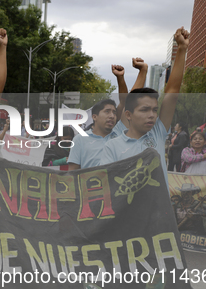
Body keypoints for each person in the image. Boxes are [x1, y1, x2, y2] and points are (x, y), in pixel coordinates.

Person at [101, 27, 190, 185]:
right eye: (144, 110)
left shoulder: (157, 133)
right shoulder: (112, 146)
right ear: (128, 115)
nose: (152, 115)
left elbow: (172, 93)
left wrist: (182, 49)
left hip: (160, 209)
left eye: (154, 110)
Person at [68, 58, 147, 170]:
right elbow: (72, 173)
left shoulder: (120, 134)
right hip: (91, 187)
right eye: (107, 111)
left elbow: (128, 102)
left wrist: (124, 77)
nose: (112, 116)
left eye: (114, 112)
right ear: (94, 117)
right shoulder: (80, 140)